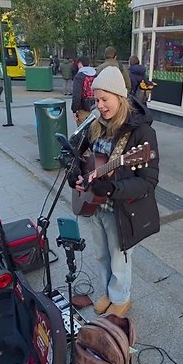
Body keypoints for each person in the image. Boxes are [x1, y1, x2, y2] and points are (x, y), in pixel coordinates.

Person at [68, 66, 160, 317]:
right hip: (95, 205)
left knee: (119, 256)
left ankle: (121, 297)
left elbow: (148, 181)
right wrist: (76, 176)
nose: (99, 105)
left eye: (104, 99)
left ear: (119, 97)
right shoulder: (96, 124)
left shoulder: (141, 132)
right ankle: (108, 292)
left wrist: (111, 188)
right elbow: (80, 155)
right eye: (96, 100)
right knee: (100, 254)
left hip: (122, 208)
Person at [71, 55, 96, 125]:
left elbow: (76, 96)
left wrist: (74, 110)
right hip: (96, 108)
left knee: (83, 133)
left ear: (80, 64)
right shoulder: (96, 74)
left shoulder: (79, 76)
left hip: (83, 109)